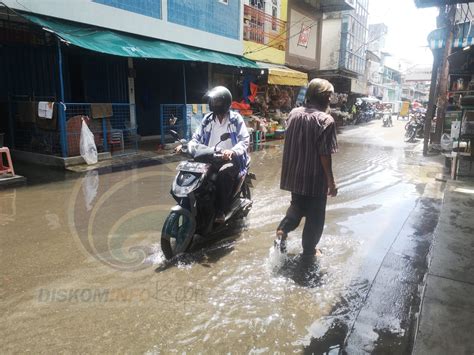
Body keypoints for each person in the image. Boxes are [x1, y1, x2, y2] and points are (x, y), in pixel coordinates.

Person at [275, 78, 338, 258]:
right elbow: (325, 155)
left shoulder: (293, 114)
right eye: (329, 96)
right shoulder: (326, 120)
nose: (330, 100)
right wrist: (331, 182)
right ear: (325, 97)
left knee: (297, 206)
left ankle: (283, 230)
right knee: (315, 217)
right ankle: (309, 250)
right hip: (314, 179)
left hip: (294, 175)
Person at [189, 86, 250, 223]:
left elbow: (244, 140)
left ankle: (220, 210)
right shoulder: (207, 119)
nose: (214, 104)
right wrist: (187, 145)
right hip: (210, 157)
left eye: (217, 101)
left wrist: (232, 151)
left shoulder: (235, 119)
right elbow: (196, 137)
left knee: (223, 174)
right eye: (212, 101)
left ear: (225, 102)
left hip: (231, 159)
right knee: (193, 173)